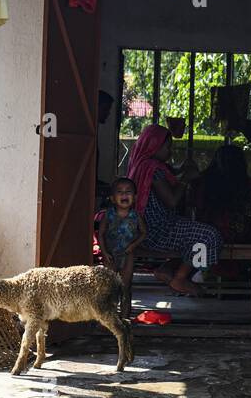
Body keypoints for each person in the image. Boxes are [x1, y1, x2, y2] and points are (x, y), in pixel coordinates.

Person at [126, 123, 223, 296]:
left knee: (195, 239)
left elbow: (170, 174)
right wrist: (186, 179)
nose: (170, 151)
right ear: (154, 145)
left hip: (144, 231)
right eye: (168, 147)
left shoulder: (141, 164)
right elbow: (171, 201)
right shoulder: (153, 170)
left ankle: (166, 269)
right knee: (208, 236)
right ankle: (181, 277)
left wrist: (181, 171)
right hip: (158, 231)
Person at [95, 177, 145, 320]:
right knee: (109, 288)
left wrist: (133, 245)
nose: (124, 195)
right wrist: (104, 252)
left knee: (125, 287)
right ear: (112, 198)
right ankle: (108, 319)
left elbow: (143, 233)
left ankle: (124, 320)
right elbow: (101, 234)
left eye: (128, 192)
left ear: (134, 197)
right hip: (110, 255)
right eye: (120, 192)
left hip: (127, 255)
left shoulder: (135, 216)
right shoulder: (108, 215)